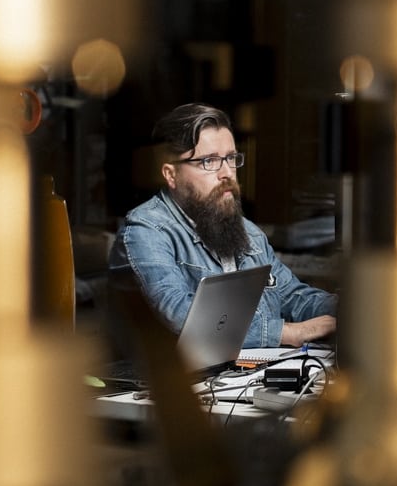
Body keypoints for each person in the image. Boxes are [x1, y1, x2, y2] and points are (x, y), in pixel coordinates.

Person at [109, 103, 337, 348]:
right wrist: (286, 332)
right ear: (171, 174)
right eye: (209, 161)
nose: (227, 173)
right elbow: (181, 318)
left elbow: (293, 296)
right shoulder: (145, 231)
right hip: (172, 385)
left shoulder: (249, 232)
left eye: (230, 158)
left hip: (243, 377)